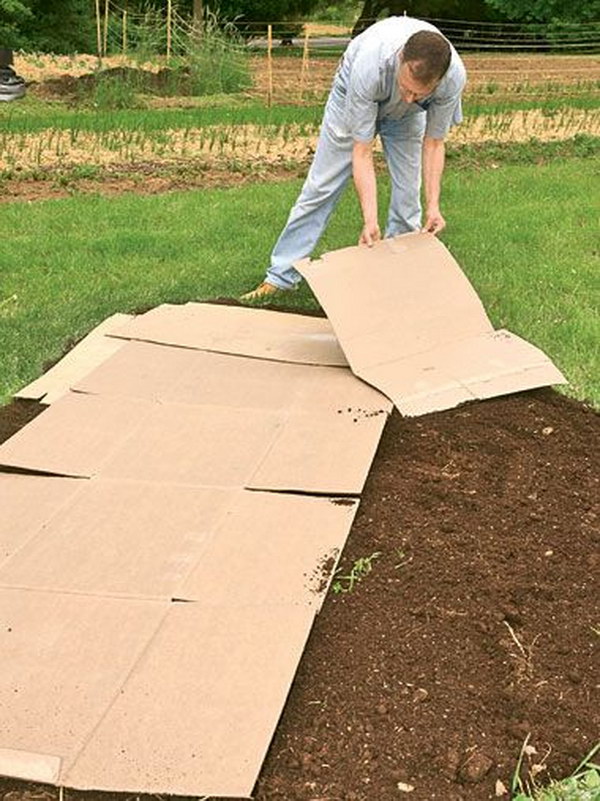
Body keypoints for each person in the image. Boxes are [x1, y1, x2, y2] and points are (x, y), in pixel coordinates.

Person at [241, 16, 466, 301]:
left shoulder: (452, 78)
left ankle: (398, 275)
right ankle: (280, 277)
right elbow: (362, 151)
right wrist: (369, 220)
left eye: (419, 93)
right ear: (400, 59)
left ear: (439, 81)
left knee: (408, 196)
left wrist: (434, 205)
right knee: (321, 187)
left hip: (408, 121)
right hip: (354, 94)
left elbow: (434, 144)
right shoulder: (370, 65)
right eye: (407, 88)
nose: (409, 98)